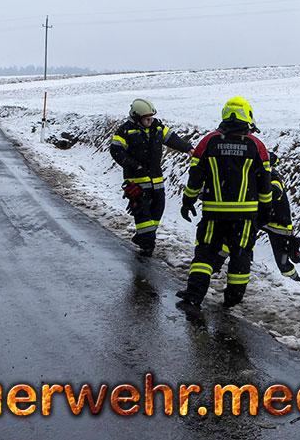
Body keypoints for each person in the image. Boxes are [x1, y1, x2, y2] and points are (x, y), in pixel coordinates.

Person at [176, 97, 273, 308]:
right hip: (245, 215)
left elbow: (195, 178)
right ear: (247, 116)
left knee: (205, 252)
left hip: (214, 213)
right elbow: (265, 184)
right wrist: (266, 209)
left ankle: (194, 294)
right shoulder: (257, 146)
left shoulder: (208, 142)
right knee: (241, 253)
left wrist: (188, 200)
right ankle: (233, 298)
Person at [109, 98, 193, 256]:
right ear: (137, 117)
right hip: (137, 183)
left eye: (151, 118)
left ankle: (143, 238)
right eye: (147, 118)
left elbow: (172, 139)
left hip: (157, 180)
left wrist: (188, 148)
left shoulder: (157, 127)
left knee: (157, 211)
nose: (150, 121)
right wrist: (134, 166)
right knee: (143, 215)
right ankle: (147, 245)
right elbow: (116, 151)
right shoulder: (125, 131)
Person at [260, 152, 300, 283]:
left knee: (283, 265)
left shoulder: (273, 179)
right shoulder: (260, 176)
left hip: (280, 227)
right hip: (266, 222)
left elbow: (274, 193)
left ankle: (299, 286)